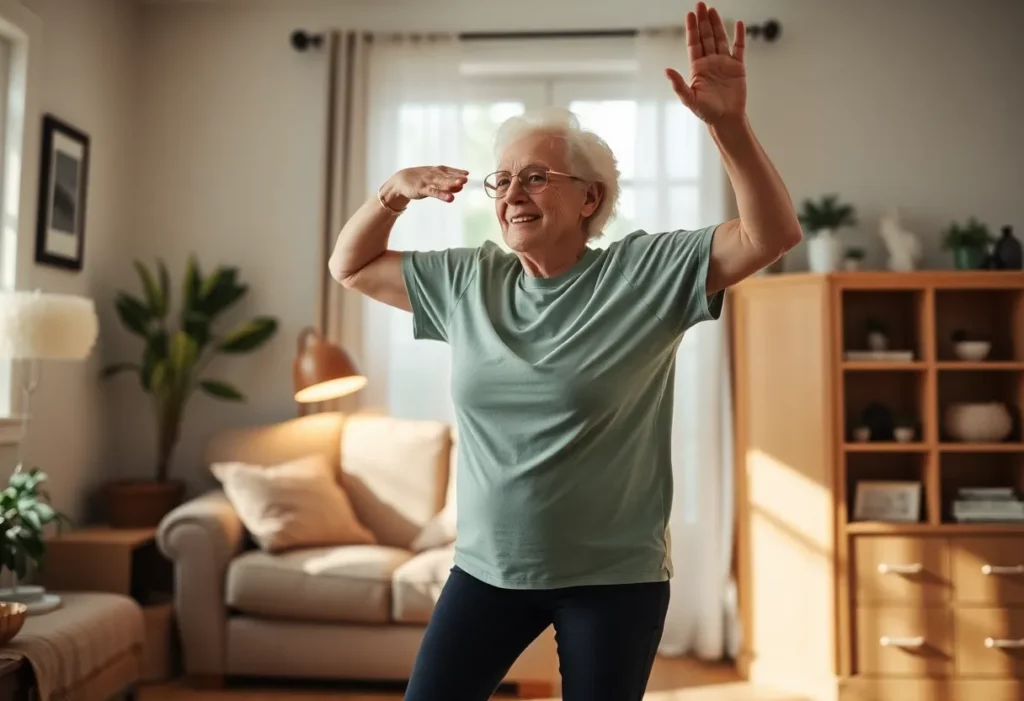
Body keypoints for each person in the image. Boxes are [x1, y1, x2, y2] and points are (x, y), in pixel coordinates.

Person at [328, 3, 801, 699]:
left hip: (613, 579)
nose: (513, 193)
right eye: (503, 179)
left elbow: (770, 234)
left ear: (589, 199)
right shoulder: (469, 279)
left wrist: (728, 127)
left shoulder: (644, 274)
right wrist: (393, 192)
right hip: (486, 570)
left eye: (536, 177)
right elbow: (351, 263)